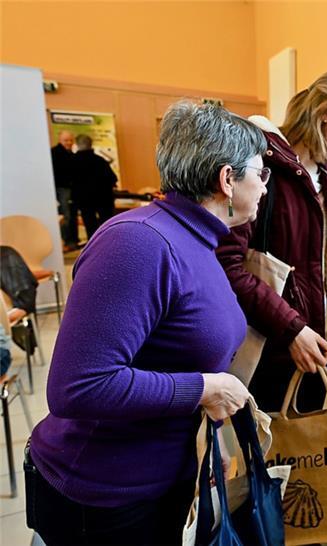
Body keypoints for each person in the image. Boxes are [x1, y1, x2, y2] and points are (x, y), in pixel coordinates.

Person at [25, 100, 264, 545]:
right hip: (102, 496)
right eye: (261, 173)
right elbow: (77, 387)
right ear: (227, 179)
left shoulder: (196, 237)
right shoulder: (139, 243)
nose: (265, 187)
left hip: (155, 480)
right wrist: (204, 388)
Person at [217, 68, 327, 413]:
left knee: (305, 455)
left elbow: (326, 261)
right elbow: (228, 266)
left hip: (312, 346)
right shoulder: (262, 170)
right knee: (270, 450)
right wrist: (291, 329)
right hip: (269, 347)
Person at [72, 134, 119, 240]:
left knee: (90, 224)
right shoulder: (100, 160)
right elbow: (113, 179)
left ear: (77, 145)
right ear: (91, 144)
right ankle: (109, 241)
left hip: (84, 200)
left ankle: (93, 244)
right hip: (103, 198)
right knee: (106, 223)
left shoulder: (72, 162)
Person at [50, 130, 79, 249]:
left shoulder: (71, 154)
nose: (69, 142)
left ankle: (72, 240)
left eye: (71, 140)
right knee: (65, 216)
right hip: (61, 189)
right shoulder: (54, 153)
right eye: (66, 140)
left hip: (71, 189)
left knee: (72, 214)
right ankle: (65, 241)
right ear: (60, 140)